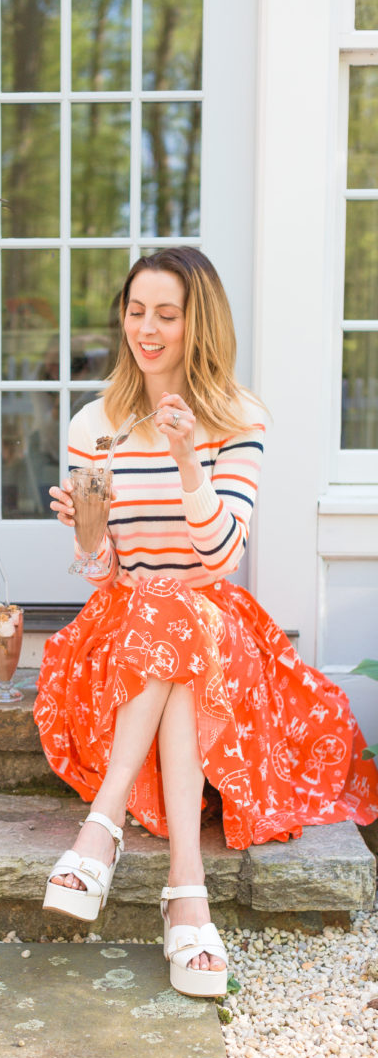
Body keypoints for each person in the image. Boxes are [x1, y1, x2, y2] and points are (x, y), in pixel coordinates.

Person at [34, 247, 378, 998]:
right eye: (135, 312)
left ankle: (101, 833)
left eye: (167, 314)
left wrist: (190, 455)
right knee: (164, 608)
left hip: (213, 626)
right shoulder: (95, 425)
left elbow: (220, 555)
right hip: (122, 636)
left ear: (200, 323)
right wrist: (90, 538)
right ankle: (185, 897)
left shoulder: (238, 416)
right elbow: (103, 573)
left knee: (184, 609)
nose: (147, 331)